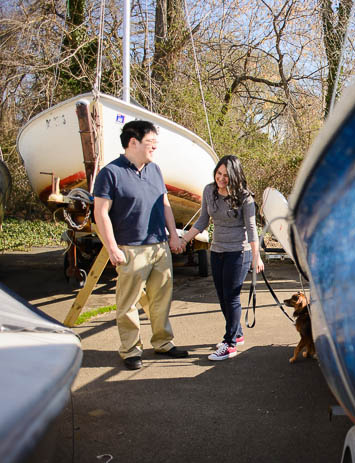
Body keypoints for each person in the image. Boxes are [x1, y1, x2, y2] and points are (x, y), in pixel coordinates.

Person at [93, 120, 189, 370]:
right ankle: (130, 350)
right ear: (133, 142)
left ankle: (163, 343)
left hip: (159, 247)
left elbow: (164, 204)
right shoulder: (110, 173)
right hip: (130, 249)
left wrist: (174, 236)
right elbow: (101, 213)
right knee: (129, 304)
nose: (155, 147)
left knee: (161, 299)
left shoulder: (154, 170)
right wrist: (112, 248)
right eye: (151, 143)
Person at [182, 155, 264, 361]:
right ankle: (237, 333)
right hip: (217, 250)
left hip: (239, 252)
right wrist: (184, 240)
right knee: (221, 296)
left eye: (226, 176)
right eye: (219, 174)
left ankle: (229, 344)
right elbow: (202, 220)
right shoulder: (209, 191)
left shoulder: (245, 198)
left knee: (232, 296)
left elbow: (252, 229)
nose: (221, 178)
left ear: (235, 177)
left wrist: (257, 257)